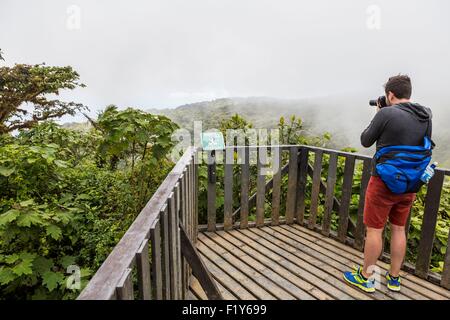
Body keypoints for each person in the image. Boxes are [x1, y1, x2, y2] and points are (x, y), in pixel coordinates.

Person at [343, 75, 433, 293]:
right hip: (410, 182)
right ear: (408, 93)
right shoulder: (426, 114)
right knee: (398, 228)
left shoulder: (386, 113)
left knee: (374, 230)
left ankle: (367, 278)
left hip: (383, 181)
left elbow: (366, 139)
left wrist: (378, 113)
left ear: (390, 95)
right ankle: (394, 278)